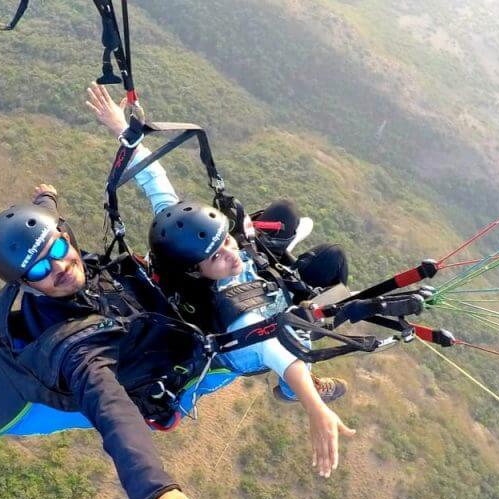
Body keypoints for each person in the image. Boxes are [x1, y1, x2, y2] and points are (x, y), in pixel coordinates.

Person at [0, 85, 200, 499]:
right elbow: (112, 413)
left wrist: (45, 199)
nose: (59, 265)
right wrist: (155, 493)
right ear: (23, 285)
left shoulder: (62, 256)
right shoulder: (77, 351)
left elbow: (47, 225)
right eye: (39, 267)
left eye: (58, 246)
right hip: (130, 368)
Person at [147, 200, 357, 479]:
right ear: (196, 271)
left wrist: (135, 156)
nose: (229, 252)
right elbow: (279, 353)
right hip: (249, 344)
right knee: (301, 329)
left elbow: (164, 198)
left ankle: (279, 255)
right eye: (215, 255)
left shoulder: (196, 250)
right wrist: (315, 408)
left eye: (225, 241)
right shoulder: (238, 318)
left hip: (253, 287)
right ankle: (292, 390)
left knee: (321, 244)